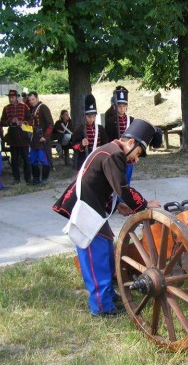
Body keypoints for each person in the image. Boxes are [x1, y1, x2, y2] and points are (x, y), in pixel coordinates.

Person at [53, 119, 162, 316]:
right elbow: (122, 188)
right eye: (137, 153)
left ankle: (108, 297)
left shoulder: (109, 150)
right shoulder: (115, 155)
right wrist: (145, 205)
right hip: (87, 210)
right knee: (98, 259)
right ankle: (101, 308)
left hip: (92, 206)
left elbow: (105, 185)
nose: (136, 159)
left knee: (104, 251)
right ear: (130, 143)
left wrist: (119, 205)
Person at [1, 89, 32, 185]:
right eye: (10, 97)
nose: (11, 99)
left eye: (13, 97)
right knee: (14, 159)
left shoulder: (24, 107)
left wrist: (23, 122)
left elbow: (30, 120)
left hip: (23, 135)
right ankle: (16, 178)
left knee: (26, 159)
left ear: (16, 97)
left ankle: (28, 178)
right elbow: (2, 122)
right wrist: (10, 121)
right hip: (13, 135)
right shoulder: (6, 108)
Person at [105, 86, 135, 184]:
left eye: (123, 106)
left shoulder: (131, 120)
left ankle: (126, 199)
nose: (121, 108)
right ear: (115, 106)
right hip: (116, 154)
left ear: (126, 106)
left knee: (127, 180)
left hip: (129, 155)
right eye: (119, 106)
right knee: (117, 181)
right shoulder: (110, 121)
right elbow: (108, 139)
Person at [71, 94, 108, 170]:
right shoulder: (79, 130)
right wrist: (81, 145)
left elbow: (106, 144)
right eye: (89, 117)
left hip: (98, 161)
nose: (91, 119)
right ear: (85, 116)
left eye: (93, 116)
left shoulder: (100, 129)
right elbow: (74, 146)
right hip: (84, 162)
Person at [27, 91, 54, 185]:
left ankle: (44, 180)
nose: (31, 101)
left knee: (44, 160)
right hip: (34, 140)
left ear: (37, 98)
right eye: (29, 100)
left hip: (42, 139)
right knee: (33, 160)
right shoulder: (32, 109)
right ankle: (36, 179)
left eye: (33, 99)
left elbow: (50, 124)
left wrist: (45, 137)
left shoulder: (43, 108)